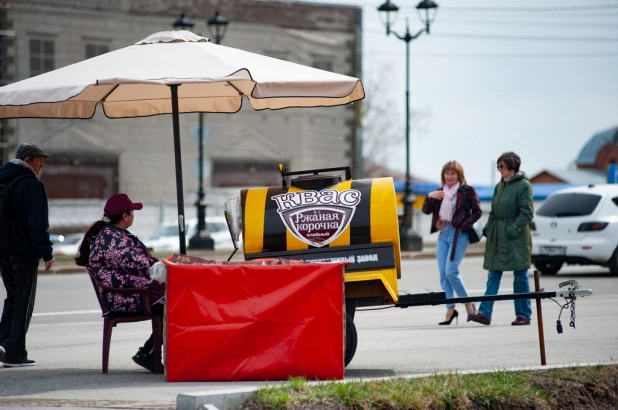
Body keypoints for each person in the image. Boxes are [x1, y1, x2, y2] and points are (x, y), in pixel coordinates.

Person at [75, 193, 165, 373]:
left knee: (174, 298)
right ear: (125, 216)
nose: (133, 215)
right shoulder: (112, 239)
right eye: (132, 212)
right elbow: (142, 265)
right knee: (176, 303)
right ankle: (149, 353)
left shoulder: (111, 235)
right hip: (127, 297)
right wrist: (166, 266)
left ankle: (149, 352)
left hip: (128, 292)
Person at [0, 143, 55, 368]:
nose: (42, 165)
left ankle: (3, 341)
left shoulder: (2, 180)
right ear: (29, 159)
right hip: (23, 252)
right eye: (40, 160)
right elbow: (37, 223)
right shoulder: (31, 184)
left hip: (3, 251)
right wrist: (46, 252)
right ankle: (15, 354)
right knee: (23, 301)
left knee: (12, 297)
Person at [468, 152, 534, 326]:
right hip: (498, 236)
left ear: (512, 167)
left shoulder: (523, 186)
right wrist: (488, 229)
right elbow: (494, 212)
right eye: (498, 166)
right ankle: (484, 313)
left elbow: (527, 213)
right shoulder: (499, 186)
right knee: (493, 274)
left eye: (502, 166)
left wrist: (513, 230)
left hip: (516, 238)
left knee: (520, 275)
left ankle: (523, 314)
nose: (499, 169)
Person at [422, 161, 482, 325]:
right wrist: (429, 197)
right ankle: (450, 308)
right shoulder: (439, 192)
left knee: (451, 272)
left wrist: (463, 225)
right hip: (443, 235)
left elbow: (477, 212)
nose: (449, 176)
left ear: (459, 176)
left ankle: (468, 303)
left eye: (452, 174)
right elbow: (426, 211)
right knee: (443, 274)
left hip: (459, 235)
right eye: (447, 174)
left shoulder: (466, 191)